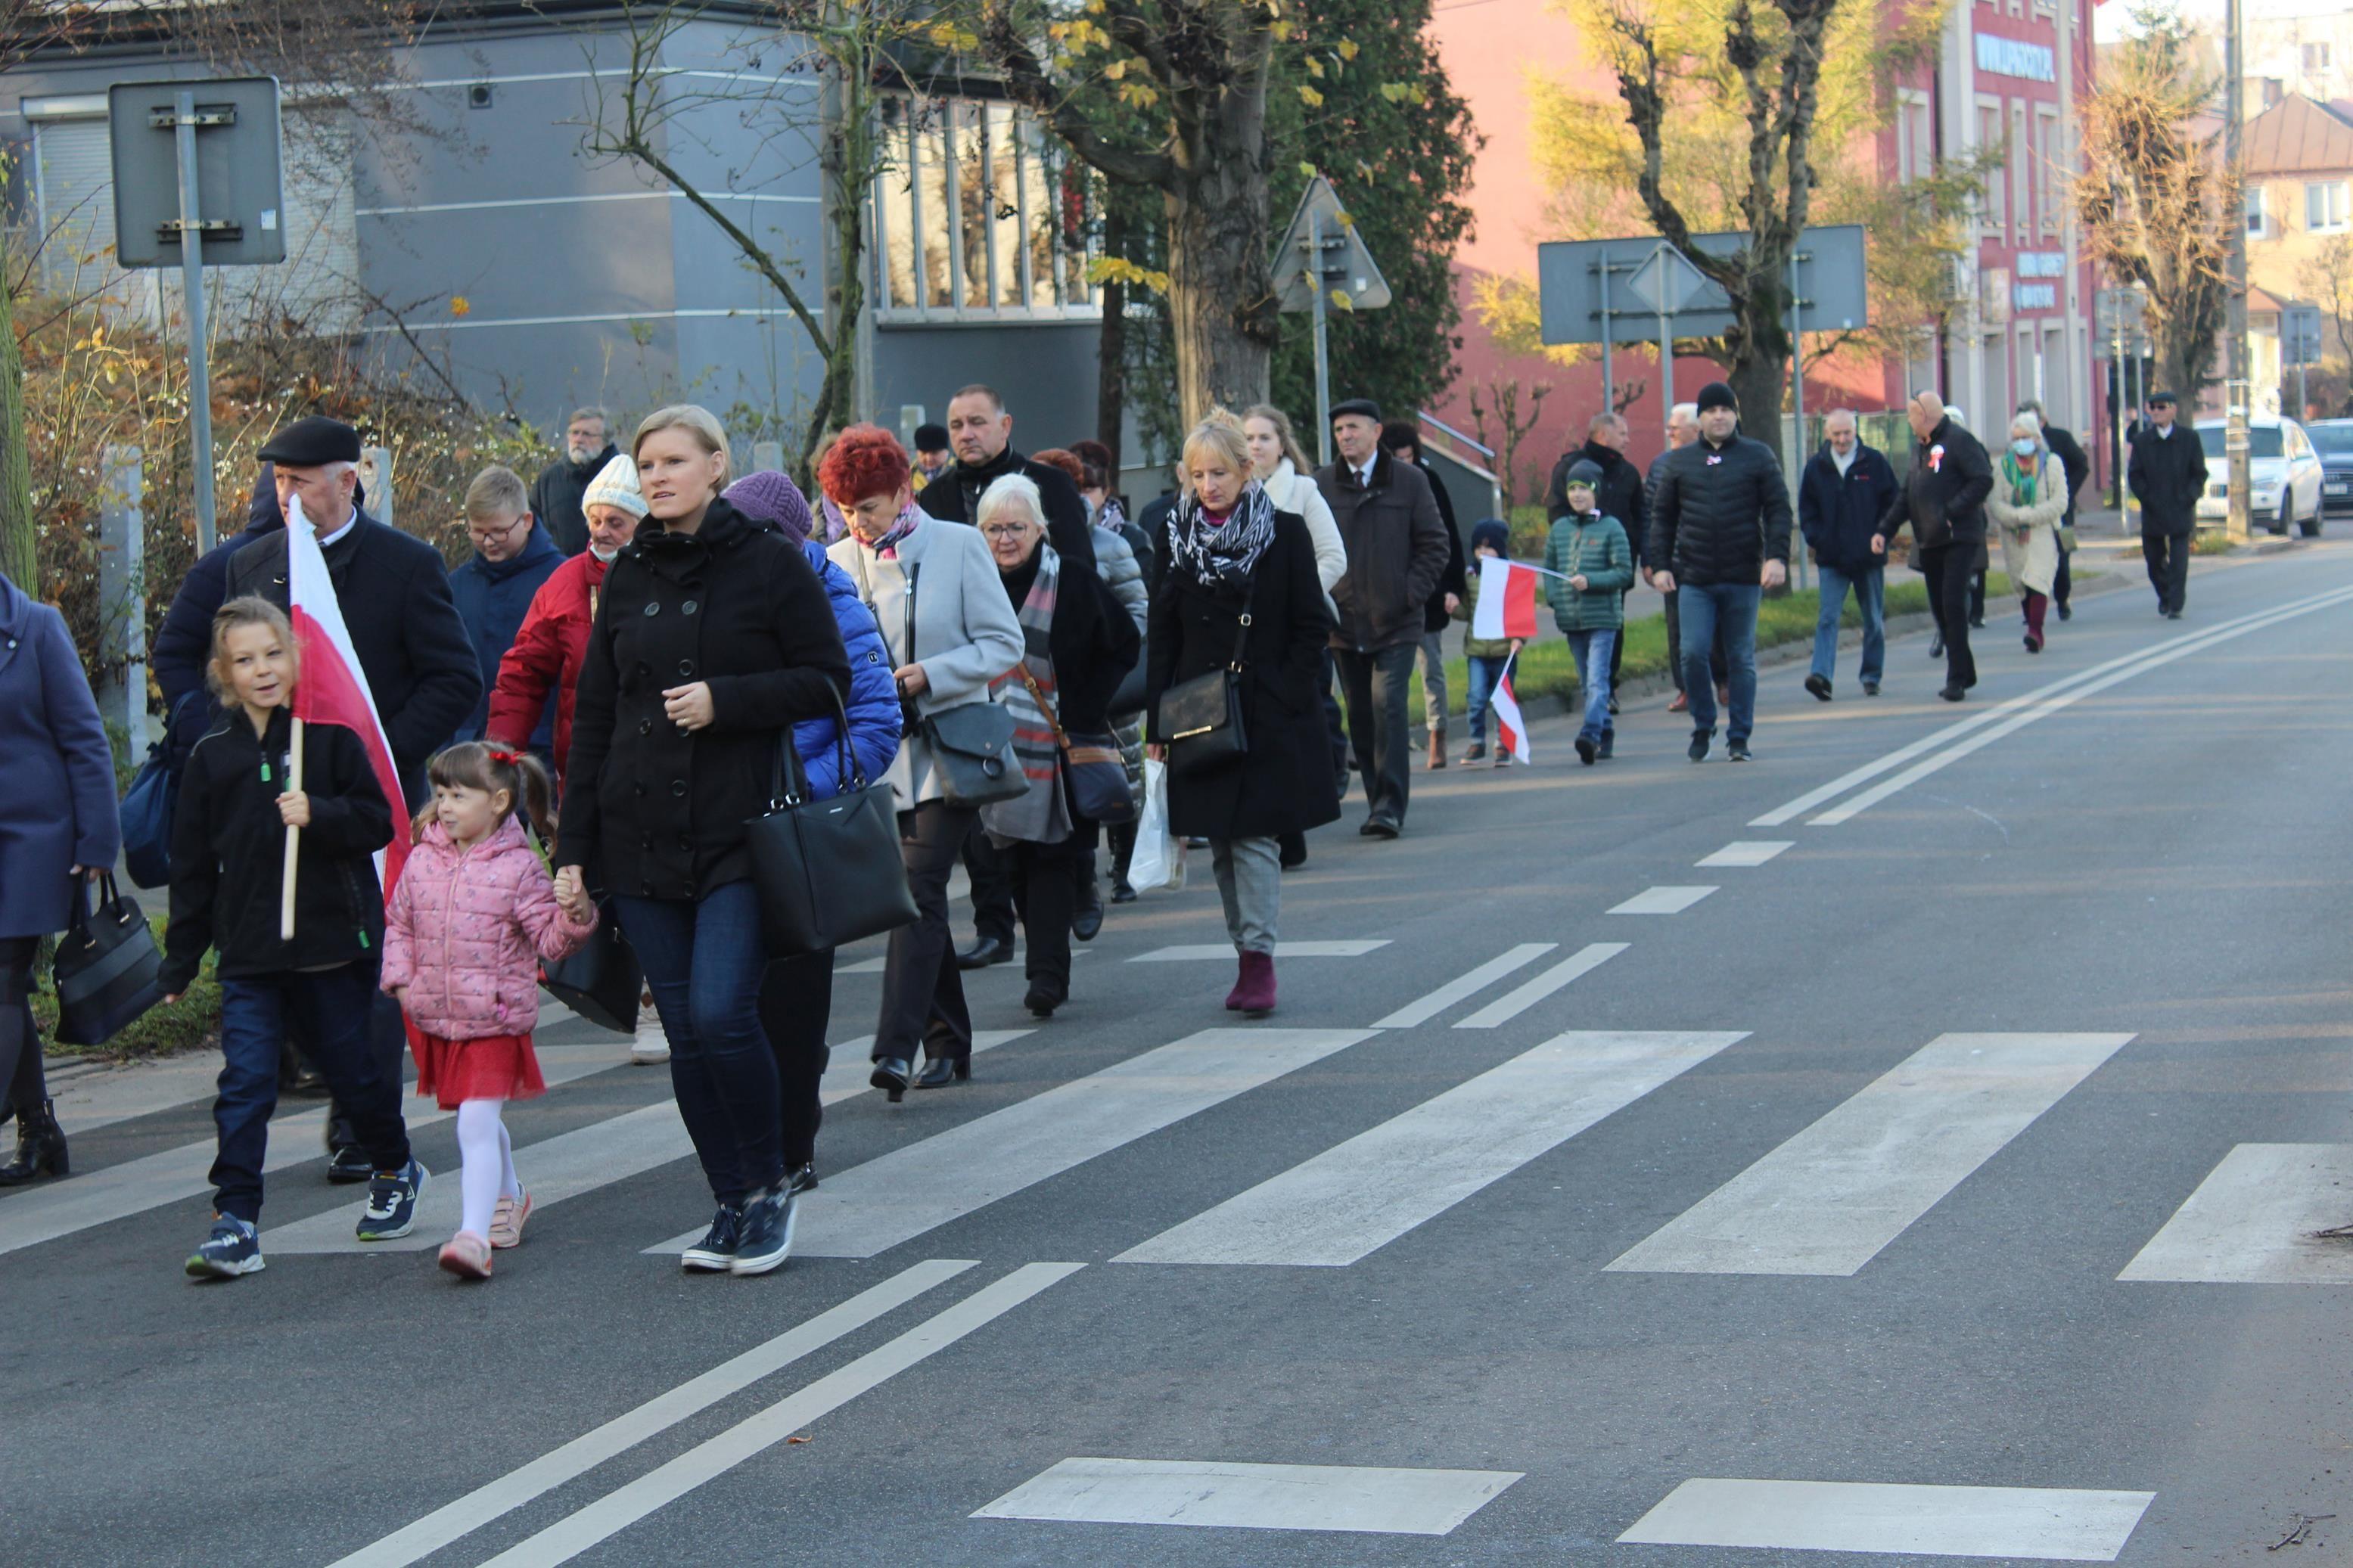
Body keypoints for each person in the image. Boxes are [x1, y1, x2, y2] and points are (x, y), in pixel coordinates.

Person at [555, 404, 852, 1279]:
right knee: (685, 1031)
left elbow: (823, 681)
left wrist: (728, 700)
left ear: (716, 466)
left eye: (674, 460)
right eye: (645, 464)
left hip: (739, 833)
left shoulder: (768, 565)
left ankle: (768, 1187)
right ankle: (729, 1200)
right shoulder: (629, 572)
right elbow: (594, 722)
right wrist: (572, 853)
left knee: (724, 1014)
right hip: (638, 840)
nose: (656, 476)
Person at [225, 415, 482, 1181]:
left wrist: (377, 752)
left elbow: (454, 679)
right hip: (280, 805)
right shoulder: (257, 566)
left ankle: (359, 1122)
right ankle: (337, 1095)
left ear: (347, 481)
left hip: (371, 808)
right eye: (278, 482)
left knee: (366, 964)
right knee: (295, 953)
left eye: (301, 482)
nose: (287, 496)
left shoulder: (405, 564)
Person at [163, 598, 423, 1278]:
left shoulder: (328, 740)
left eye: (273, 654)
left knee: (352, 1073)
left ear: (295, 657)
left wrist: (322, 812)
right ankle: (236, 1218)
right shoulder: (211, 757)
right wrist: (180, 960)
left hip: (333, 943)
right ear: (223, 671)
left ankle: (394, 1164)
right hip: (250, 952)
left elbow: (375, 821)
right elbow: (190, 867)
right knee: (246, 1082)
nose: (262, 670)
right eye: (245, 660)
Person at [822, 426, 1024, 1101]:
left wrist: (928, 675)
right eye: (847, 509)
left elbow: (1003, 644)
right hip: (876, 758)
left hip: (949, 749)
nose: (859, 521)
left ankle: (894, 1047)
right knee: (916, 898)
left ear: (904, 489)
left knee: (919, 889)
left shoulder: (960, 545)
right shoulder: (833, 561)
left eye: (870, 506)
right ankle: (949, 1040)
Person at [722, 466, 903, 1192]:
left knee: (792, 1011)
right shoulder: (718, 597)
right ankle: (748, 1143)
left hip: (798, 836)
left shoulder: (836, 603)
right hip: (723, 829)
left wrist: (797, 788)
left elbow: (876, 724)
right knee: (724, 1005)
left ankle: (792, 1146)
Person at [383, 744, 597, 1280]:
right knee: (473, 1118)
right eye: (439, 794)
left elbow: (549, 939)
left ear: (499, 801)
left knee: (477, 1122)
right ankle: (510, 1193)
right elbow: (400, 924)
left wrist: (576, 915)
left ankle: (472, 1235)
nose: (446, 806)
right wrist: (402, 982)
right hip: (440, 1017)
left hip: (496, 1018)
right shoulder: (424, 857)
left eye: (459, 794)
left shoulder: (520, 867)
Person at [1146, 418, 1338, 1015]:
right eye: (1198, 474)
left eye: (1220, 473)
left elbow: (1313, 625)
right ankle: (1244, 949)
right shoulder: (1173, 536)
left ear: (1247, 471)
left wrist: (1280, 692)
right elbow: (1163, 636)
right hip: (1199, 712)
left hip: (1265, 714)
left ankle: (1258, 961)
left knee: (1253, 837)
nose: (1209, 485)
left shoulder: (1283, 532)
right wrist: (1157, 724)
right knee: (1222, 842)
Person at [974, 474, 1139, 1018]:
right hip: (994, 746)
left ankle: (1046, 973)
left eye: (1016, 527)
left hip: (1062, 746)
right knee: (1015, 863)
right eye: (994, 528)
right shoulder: (972, 584)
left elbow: (1124, 643)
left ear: (1040, 529)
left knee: (1052, 857)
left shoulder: (1073, 580)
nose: (1005, 539)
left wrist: (1085, 708)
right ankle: (1050, 949)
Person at [0, 567, 120, 1187]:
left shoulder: (37, 628)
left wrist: (99, 837)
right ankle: (39, 1127)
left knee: (4, 971)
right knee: (8, 990)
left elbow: (84, 736)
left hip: (32, 838)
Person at [1317, 398, 1448, 837]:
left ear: (1376, 432)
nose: (1345, 436)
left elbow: (1435, 544)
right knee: (1360, 714)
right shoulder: (1322, 486)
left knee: (1388, 707)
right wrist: (1326, 599)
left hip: (1396, 622)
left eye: (1353, 428)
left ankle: (1390, 807)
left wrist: (1409, 595)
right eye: (1339, 430)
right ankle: (1377, 802)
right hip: (1343, 622)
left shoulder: (1411, 482)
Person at [1646, 381, 1792, 762]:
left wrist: (1776, 557)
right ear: (1701, 419)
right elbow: (1662, 517)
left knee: (1740, 656)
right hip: (1694, 576)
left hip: (1743, 575)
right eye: (1711, 411)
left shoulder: (1757, 456)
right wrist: (1660, 565)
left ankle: (1739, 736)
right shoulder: (1680, 462)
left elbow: (1778, 508)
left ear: (1735, 414)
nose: (1719, 417)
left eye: (1725, 410)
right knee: (1692, 652)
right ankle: (1704, 722)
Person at [1039, 446, 1147, 923]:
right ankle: (1080, 873)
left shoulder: (1108, 544)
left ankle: (1123, 864)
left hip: (1107, 688)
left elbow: (1137, 614)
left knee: (1122, 773)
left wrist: (1111, 668)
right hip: (1049, 694)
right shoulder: (1025, 547)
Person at [1242, 404, 1349, 864]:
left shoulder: (1302, 491)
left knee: (1296, 724)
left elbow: (1333, 557)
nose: (1255, 446)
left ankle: (1296, 823)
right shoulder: (1229, 493)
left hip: (1295, 631)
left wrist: (1297, 599)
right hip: (1242, 634)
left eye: (1264, 438)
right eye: (1246, 438)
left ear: (1282, 444)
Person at [1876, 390, 1994, 702]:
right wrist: (1884, 531)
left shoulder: (1959, 441)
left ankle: (1956, 679)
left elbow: (1983, 479)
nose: (1909, 422)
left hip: (1958, 537)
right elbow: (1907, 494)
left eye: (1911, 415)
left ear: (1924, 416)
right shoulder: (1920, 449)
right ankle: (1965, 669)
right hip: (1929, 540)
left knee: (1954, 605)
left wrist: (1952, 511)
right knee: (1941, 609)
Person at [915, 383, 1097, 571]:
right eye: (956, 426)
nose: (966, 435)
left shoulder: (1052, 484)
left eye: (977, 422)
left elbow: (1080, 570)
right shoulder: (933, 496)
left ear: (1005, 426)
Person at [448, 465, 564, 752]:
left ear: (526, 521)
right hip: (467, 746)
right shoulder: (457, 584)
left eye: (499, 533)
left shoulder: (560, 580)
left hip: (539, 749)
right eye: (478, 533)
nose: (488, 543)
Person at [1798, 409, 1901, 700]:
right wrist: (1818, 539)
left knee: (1872, 619)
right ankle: (1821, 676)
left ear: (1855, 432)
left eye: (1847, 433)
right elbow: (1807, 511)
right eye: (1837, 434)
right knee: (1827, 618)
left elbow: (1893, 502)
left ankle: (1871, 675)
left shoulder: (1874, 462)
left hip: (1868, 557)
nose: (1842, 439)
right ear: (1827, 435)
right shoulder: (1816, 467)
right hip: (1832, 558)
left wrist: (1882, 533)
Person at [1382, 422, 1468, 772]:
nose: (1406, 464)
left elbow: (1446, 535)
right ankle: (1389, 742)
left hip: (1427, 590)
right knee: (1389, 677)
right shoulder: (1377, 485)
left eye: (1410, 457)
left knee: (1431, 667)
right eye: (1398, 458)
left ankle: (1438, 733)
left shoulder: (1428, 482)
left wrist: (1451, 587)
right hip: (1386, 593)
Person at [1548, 411, 1646, 705]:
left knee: (1612, 626)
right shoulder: (1569, 467)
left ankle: (1606, 689)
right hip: (1576, 569)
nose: (1628, 440)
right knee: (1581, 632)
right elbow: (1555, 512)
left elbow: (1641, 516)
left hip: (1615, 568)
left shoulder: (1628, 473)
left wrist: (1645, 556)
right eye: (1623, 433)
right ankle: (1592, 688)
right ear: (1603, 435)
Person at [1543, 461, 1635, 764]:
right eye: (1572, 489)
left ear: (1595, 490)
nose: (1577, 495)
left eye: (1583, 488)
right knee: (1586, 683)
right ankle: (1606, 733)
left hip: (1604, 618)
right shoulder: (1560, 529)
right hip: (1572, 619)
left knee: (1597, 681)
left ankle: (1591, 734)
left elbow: (1624, 572)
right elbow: (1550, 569)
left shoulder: (1612, 527)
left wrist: (1592, 581)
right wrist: (1556, 601)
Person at [1644, 403, 1725, 713]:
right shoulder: (1661, 465)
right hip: (1674, 559)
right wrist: (1652, 559)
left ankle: (1724, 680)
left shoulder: (1718, 460)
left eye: (1674, 429)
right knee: (1677, 628)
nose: (1669, 434)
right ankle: (1687, 689)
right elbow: (1651, 513)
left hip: (1712, 557)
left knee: (1718, 625)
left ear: (1696, 429)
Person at [1991, 411, 2068, 654]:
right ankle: (2030, 619)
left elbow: (2059, 502)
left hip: (2043, 531)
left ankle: (2035, 630)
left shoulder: (2052, 463)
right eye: (2016, 438)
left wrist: (2028, 516)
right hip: (2013, 535)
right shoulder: (2002, 467)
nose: (2021, 442)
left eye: (2026, 437)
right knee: (2021, 582)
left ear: (2036, 438)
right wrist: (2015, 518)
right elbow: (1995, 503)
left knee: (2039, 580)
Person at [2128, 390, 2204, 619]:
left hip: (2180, 509)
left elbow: (2199, 474)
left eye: (2162, 407)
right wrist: (2147, 498)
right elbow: (2135, 475)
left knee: (2179, 564)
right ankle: (2165, 595)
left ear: (2174, 409)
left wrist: (2189, 497)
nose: (2157, 412)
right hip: (2153, 511)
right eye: (2154, 408)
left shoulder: (2189, 439)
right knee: (2153, 560)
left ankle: (2176, 604)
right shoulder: (2142, 441)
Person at [1452, 520, 1521, 765]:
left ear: (1500, 550)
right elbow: (1468, 611)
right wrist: (1454, 608)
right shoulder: (1470, 576)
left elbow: (1519, 610)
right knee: (1477, 696)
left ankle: (1503, 744)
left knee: (1501, 698)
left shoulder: (1511, 576)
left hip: (1504, 649)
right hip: (1477, 650)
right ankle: (1476, 741)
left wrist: (1519, 638)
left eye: (1489, 548)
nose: (1483, 553)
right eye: (1479, 548)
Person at [2017, 399, 2090, 620]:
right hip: (2029, 513)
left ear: (2043, 419)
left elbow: (2081, 465)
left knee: (2061, 558)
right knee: (2027, 560)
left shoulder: (2061, 438)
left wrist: (2068, 493)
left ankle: (2062, 598)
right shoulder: (2018, 446)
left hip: (2060, 512)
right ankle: (2031, 607)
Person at [530, 407, 620, 556]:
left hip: (612, 573)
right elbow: (531, 528)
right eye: (574, 433)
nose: (578, 440)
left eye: (587, 434)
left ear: (606, 441)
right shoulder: (549, 480)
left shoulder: (621, 477)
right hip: (560, 573)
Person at [912, 422, 954, 486]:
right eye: (923, 453)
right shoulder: (907, 475)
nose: (929, 459)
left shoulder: (959, 471)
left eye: (935, 453)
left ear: (946, 452)